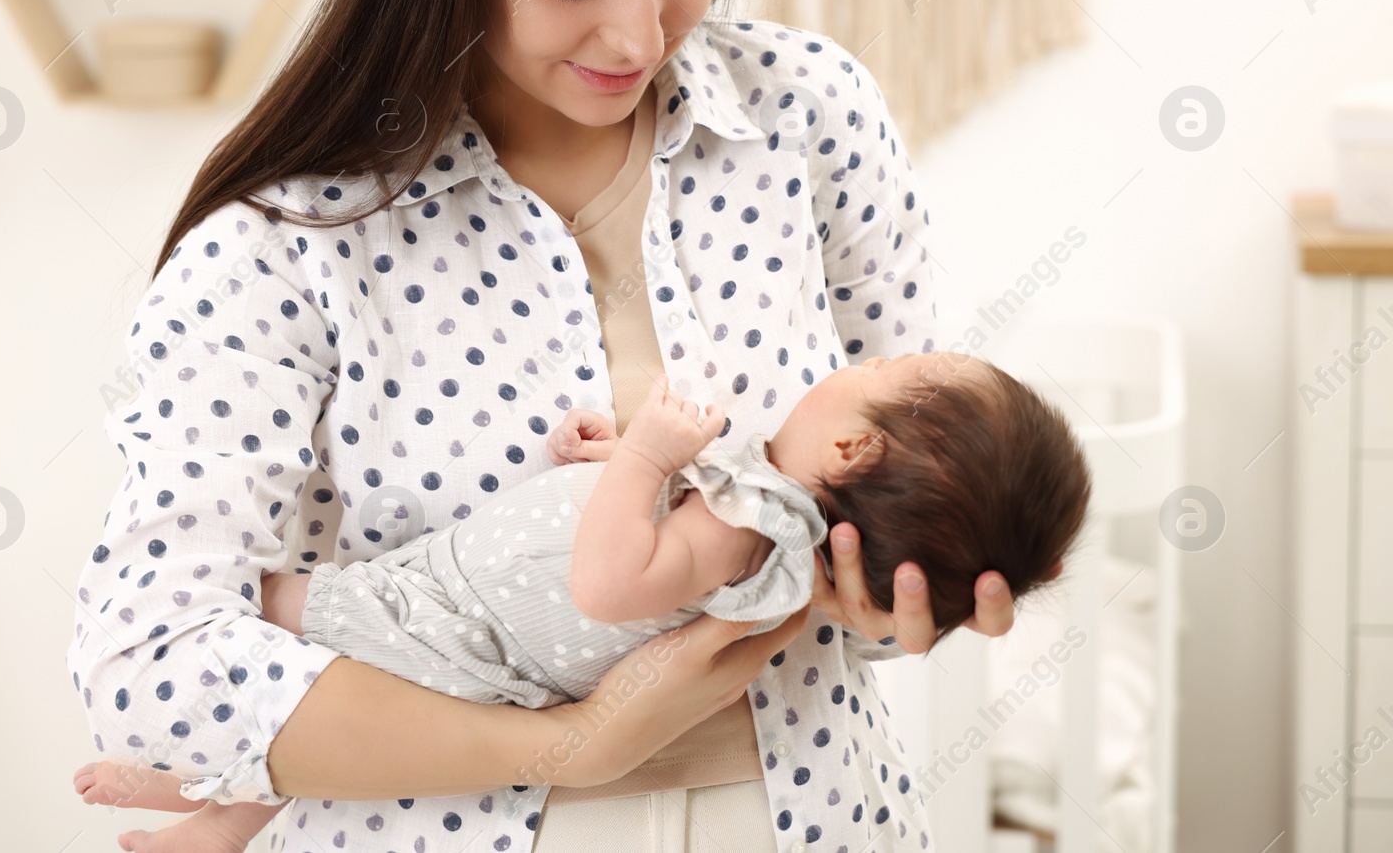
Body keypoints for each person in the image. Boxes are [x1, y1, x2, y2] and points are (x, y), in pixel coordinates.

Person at [64, 0, 1029, 849]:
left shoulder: (804, 117)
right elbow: (152, 663)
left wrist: (905, 592)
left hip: (820, 817)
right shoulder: (290, 240)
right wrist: (572, 745)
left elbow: (905, 479)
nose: (636, 32)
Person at [74, 355, 1086, 851]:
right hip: (467, 616)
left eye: (888, 369)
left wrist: (645, 451)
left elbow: (613, 581)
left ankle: (201, 803)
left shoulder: (749, 529)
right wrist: (614, 458)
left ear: (854, 447)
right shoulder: (758, 512)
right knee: (318, 690)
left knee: (275, 612)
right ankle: (210, 824)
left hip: (461, 623)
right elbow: (650, 523)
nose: (853, 358)